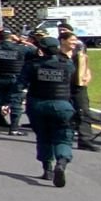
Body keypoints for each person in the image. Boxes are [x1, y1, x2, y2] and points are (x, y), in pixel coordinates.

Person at [22, 36, 77, 185]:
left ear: (41, 49)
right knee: (63, 137)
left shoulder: (33, 65)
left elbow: (20, 84)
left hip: (37, 106)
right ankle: (61, 162)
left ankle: (47, 169)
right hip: (62, 106)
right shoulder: (67, 64)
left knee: (43, 137)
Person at [63, 30, 101, 153]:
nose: (74, 42)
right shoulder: (57, 55)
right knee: (64, 113)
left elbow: (85, 67)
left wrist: (87, 75)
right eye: (72, 40)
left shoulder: (80, 53)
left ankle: (85, 140)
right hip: (62, 87)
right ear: (63, 41)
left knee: (84, 112)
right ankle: (62, 139)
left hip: (79, 87)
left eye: (75, 40)